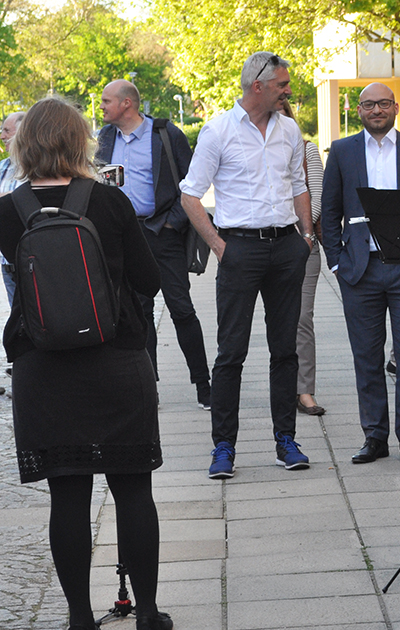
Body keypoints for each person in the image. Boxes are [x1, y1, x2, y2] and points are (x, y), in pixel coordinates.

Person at [0, 96, 172, 630]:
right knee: (133, 491)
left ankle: (79, 617)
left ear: (23, 145)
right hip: (116, 360)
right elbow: (148, 281)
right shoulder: (111, 201)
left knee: (67, 496)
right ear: (81, 142)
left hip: (43, 367)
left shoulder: (7, 210)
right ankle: (147, 613)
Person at [180, 51, 315, 479]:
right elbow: (190, 194)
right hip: (239, 249)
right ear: (258, 85)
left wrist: (306, 237)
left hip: (286, 248)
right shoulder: (218, 131)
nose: (288, 90)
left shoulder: (289, 129)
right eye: (282, 84)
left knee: (285, 350)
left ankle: (286, 441)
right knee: (231, 352)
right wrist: (219, 246)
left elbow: (299, 184)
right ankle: (224, 447)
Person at [321, 82, 400, 465]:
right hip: (360, 271)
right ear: (358, 110)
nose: (377, 110)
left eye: (384, 103)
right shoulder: (342, 151)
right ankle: (374, 436)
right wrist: (337, 262)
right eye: (369, 104)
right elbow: (330, 209)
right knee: (367, 358)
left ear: (395, 107)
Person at [97, 80, 212, 410]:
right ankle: (148, 388)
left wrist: (173, 222)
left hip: (162, 233)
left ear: (127, 104)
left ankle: (204, 385)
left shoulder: (165, 134)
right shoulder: (105, 138)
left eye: (106, 101)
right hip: (125, 236)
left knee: (182, 309)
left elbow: (191, 183)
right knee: (139, 313)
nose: (101, 106)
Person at [280, 100, 326, 417]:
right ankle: (282, 385)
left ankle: (304, 389)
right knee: (277, 321)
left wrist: (303, 236)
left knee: (301, 319)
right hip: (264, 246)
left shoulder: (307, 150)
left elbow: (317, 200)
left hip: (301, 245)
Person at [0, 110, 26, 304]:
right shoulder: (3, 166)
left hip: (30, 257)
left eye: (7, 131)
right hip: (6, 260)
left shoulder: (38, 167)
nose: (2, 136)